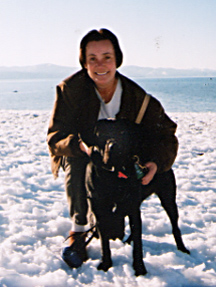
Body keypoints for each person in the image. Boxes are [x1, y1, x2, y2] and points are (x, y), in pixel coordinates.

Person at [47, 28, 178, 262]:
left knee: (112, 230)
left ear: (117, 59)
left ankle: (112, 221)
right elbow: (55, 137)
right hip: (85, 155)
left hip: (122, 161)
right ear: (83, 63)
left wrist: (156, 163)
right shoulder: (69, 91)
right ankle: (78, 232)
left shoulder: (139, 98)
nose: (101, 65)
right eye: (92, 59)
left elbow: (166, 134)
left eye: (107, 57)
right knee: (79, 165)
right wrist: (81, 147)